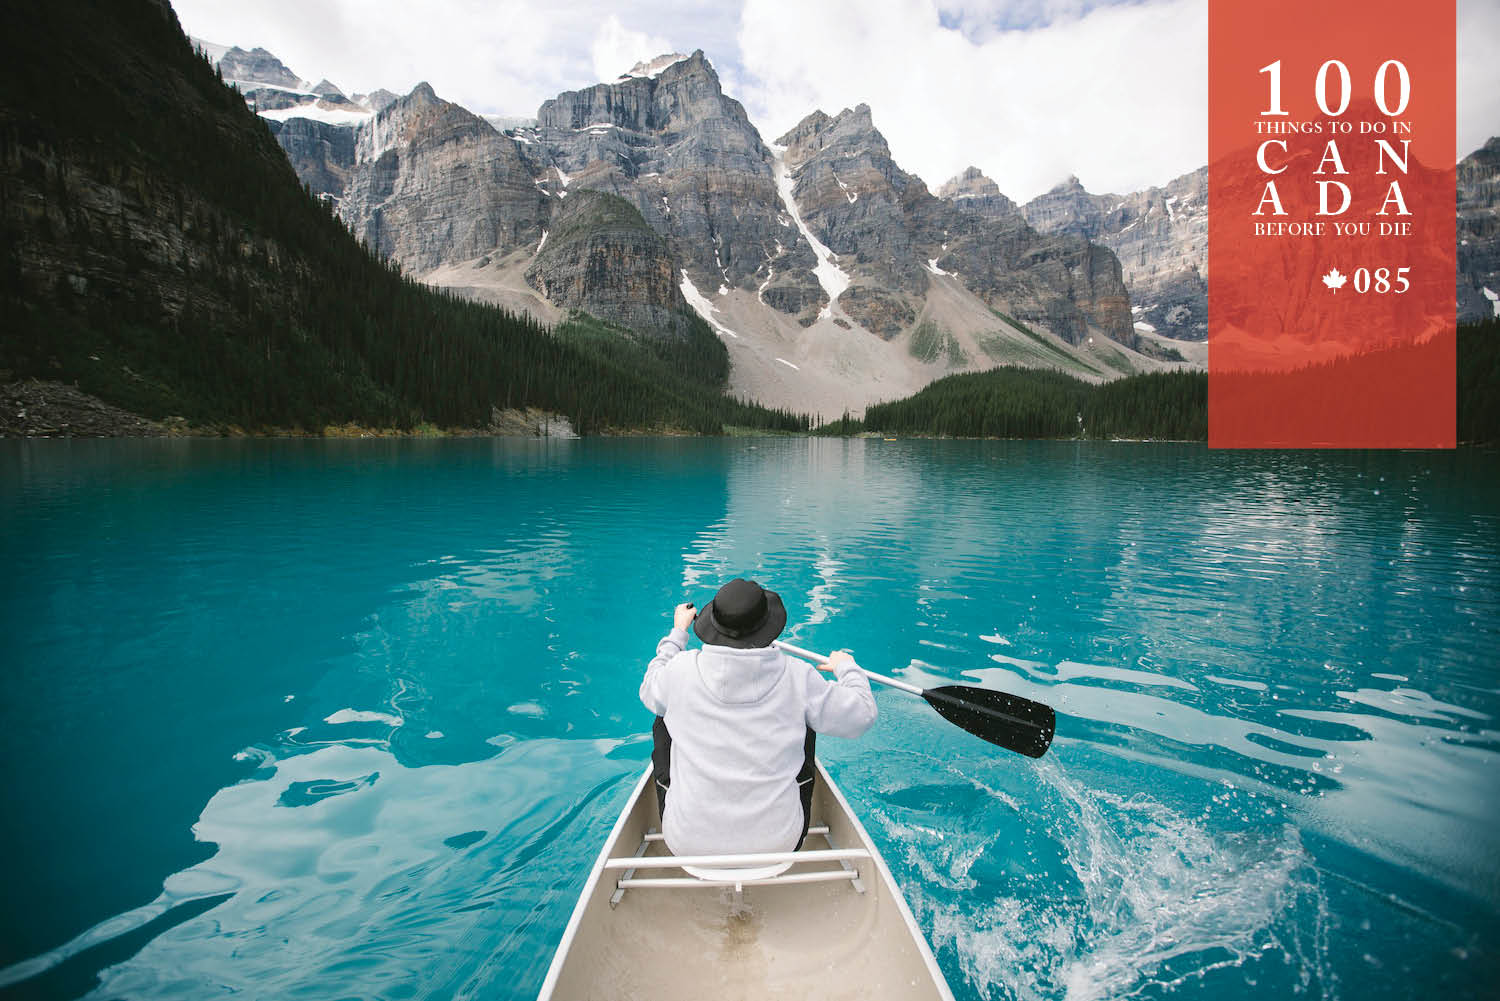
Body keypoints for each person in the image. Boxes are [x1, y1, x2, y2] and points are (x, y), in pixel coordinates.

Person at [639, 577, 877, 858]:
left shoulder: (680, 671)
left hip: (687, 843)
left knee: (663, 712)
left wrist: (678, 632)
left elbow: (649, 687)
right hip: (778, 844)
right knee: (807, 718)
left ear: (713, 624)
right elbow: (862, 715)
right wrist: (847, 669)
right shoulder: (797, 676)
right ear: (768, 626)